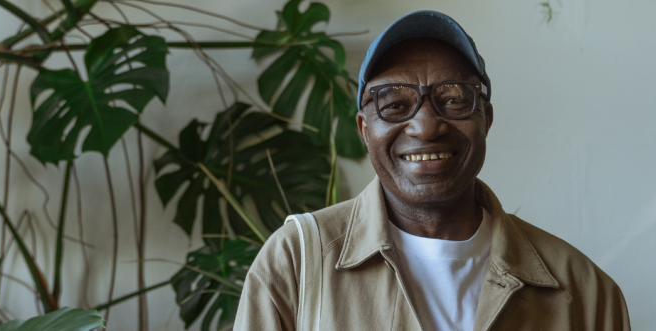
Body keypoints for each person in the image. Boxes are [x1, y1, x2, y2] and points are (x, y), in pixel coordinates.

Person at [234, 10, 630, 331]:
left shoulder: (582, 290)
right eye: (393, 103)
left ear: (485, 118)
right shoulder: (297, 263)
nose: (426, 126)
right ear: (364, 128)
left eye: (454, 99)